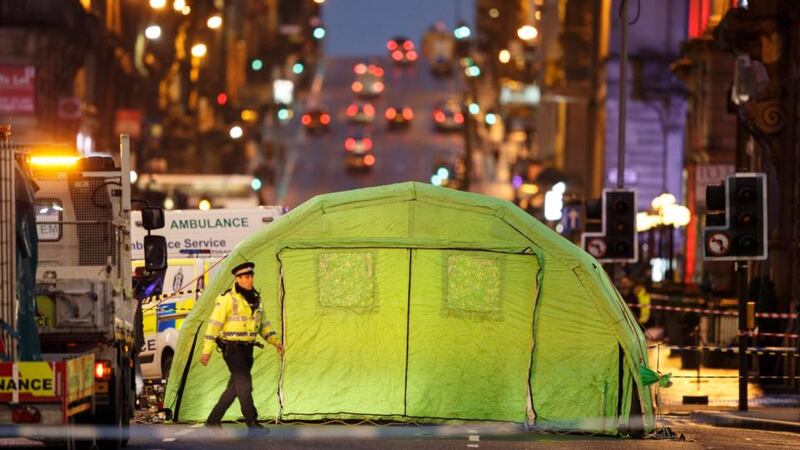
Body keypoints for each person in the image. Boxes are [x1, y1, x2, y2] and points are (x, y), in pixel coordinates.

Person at [200, 261, 284, 429]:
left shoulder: (256, 299)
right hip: (232, 349)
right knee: (245, 384)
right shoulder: (227, 299)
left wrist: (275, 341)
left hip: (247, 350)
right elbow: (214, 325)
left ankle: (212, 420)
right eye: (245, 277)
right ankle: (252, 422)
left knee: (235, 387)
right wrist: (206, 350)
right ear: (237, 279)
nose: (249, 280)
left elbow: (263, 325)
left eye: (251, 276)